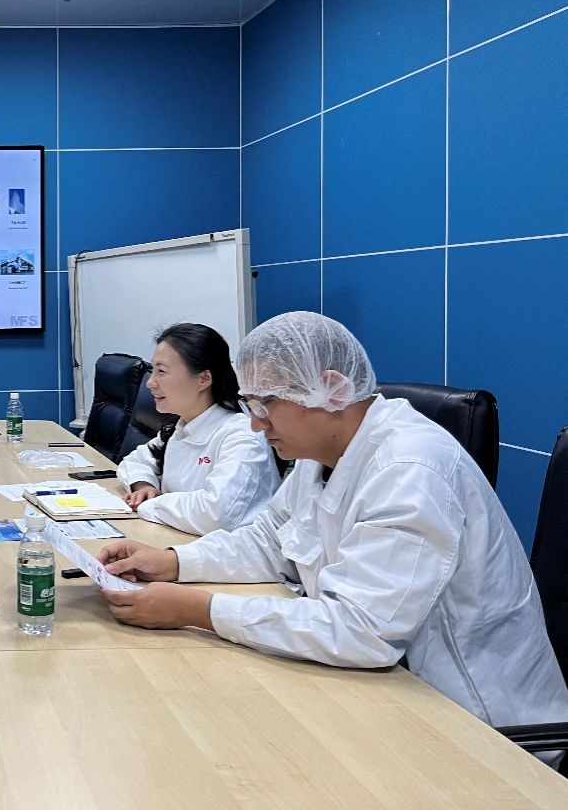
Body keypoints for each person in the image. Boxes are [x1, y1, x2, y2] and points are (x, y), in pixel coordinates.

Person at [97, 311, 568, 733]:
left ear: (331, 389)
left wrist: (198, 610)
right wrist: (172, 562)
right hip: (390, 689)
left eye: (266, 403)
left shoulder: (411, 469)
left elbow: (362, 630)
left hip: (475, 722)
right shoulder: (320, 452)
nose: (256, 423)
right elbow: (269, 540)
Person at [116, 323, 279, 534]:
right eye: (153, 370)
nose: (150, 383)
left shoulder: (241, 435)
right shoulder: (181, 426)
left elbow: (216, 514)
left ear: (203, 379)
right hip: (177, 538)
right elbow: (135, 461)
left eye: (161, 371)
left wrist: (151, 504)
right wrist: (143, 486)